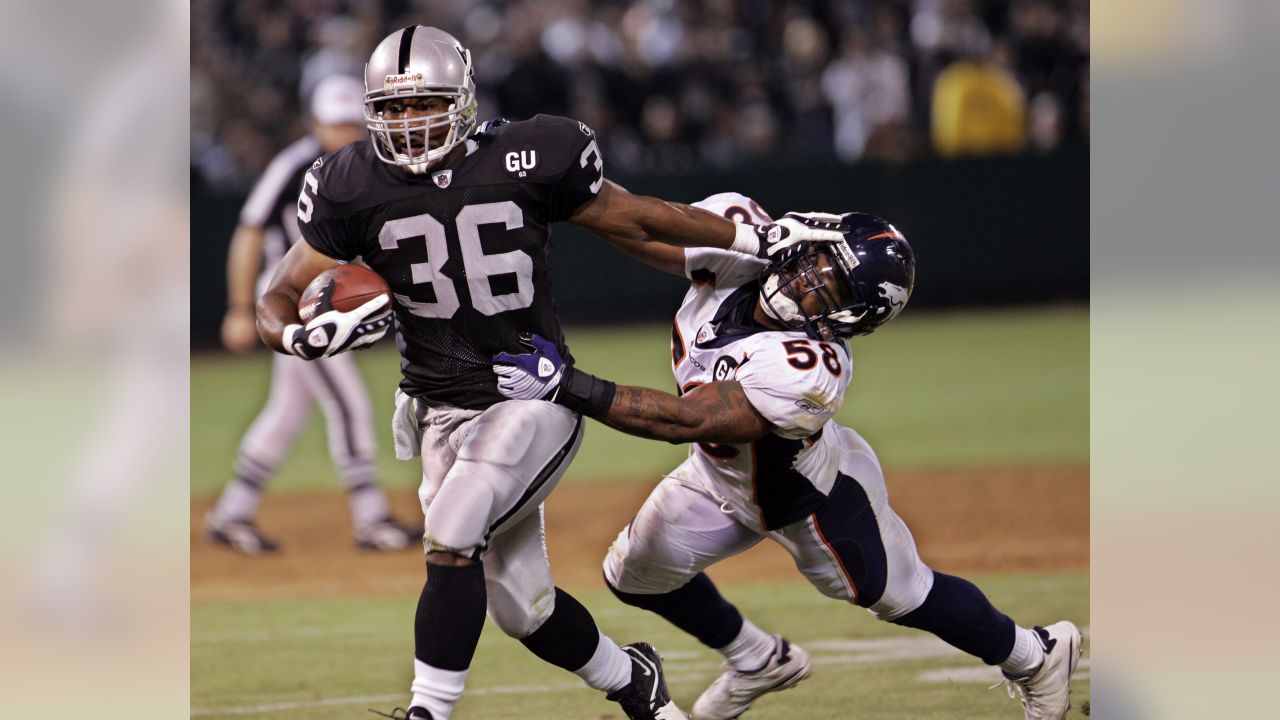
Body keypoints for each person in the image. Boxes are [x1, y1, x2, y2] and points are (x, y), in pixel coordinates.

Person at [254, 27, 843, 720]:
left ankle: (426, 712)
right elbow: (278, 292)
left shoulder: (531, 153)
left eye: (427, 105)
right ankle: (635, 682)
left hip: (530, 393)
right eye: (394, 109)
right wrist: (296, 335)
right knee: (522, 608)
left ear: (464, 99)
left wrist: (753, 239)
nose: (410, 124)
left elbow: (637, 217)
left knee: (451, 533)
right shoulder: (346, 183)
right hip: (441, 411)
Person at [490, 194, 1083, 720]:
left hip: (805, 497)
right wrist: (570, 196)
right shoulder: (747, 242)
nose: (806, 282)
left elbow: (687, 419)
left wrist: (568, 384)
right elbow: (645, 228)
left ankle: (1036, 655)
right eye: (814, 263)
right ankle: (756, 659)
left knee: (899, 594)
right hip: (717, 477)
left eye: (831, 287)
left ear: (847, 318)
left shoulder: (812, 367)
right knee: (633, 575)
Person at [206, 75, 423, 556]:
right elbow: (250, 231)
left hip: (327, 291)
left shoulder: (372, 165)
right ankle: (370, 519)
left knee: (286, 412)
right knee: (347, 402)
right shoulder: (294, 165)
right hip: (294, 298)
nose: (343, 133)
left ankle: (231, 513)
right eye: (334, 123)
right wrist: (242, 307)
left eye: (351, 124)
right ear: (315, 123)